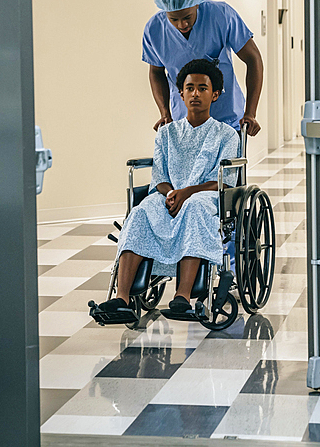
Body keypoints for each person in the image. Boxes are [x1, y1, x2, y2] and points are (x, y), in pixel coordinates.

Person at [91, 59, 240, 323]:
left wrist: (186, 193)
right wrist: (172, 192)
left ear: (214, 94)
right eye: (189, 88)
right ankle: (121, 298)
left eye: (202, 88)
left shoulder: (226, 135)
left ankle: (182, 296)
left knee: (194, 208)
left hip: (206, 196)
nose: (195, 93)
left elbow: (225, 181)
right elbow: (159, 176)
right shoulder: (167, 133)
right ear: (180, 93)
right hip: (167, 195)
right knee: (140, 213)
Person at [143, 0, 264, 136]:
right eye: (174, 19)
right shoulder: (155, 29)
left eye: (187, 17)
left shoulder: (221, 15)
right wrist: (165, 113)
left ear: (197, 4)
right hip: (184, 121)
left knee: (227, 160)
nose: (182, 25)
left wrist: (250, 113)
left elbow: (253, 58)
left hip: (226, 118)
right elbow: (156, 72)